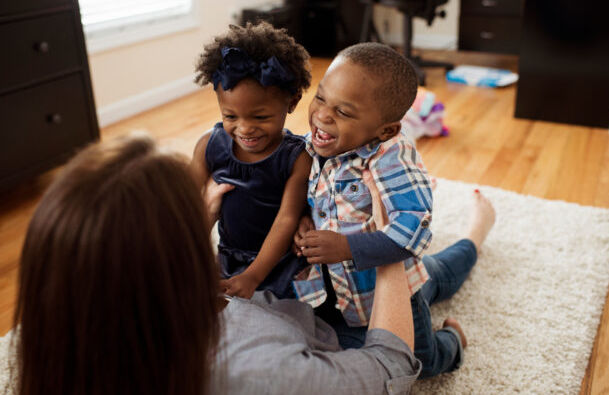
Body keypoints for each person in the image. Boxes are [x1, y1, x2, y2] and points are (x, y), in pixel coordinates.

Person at [13, 134, 424, 395]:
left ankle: (472, 237)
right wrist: (385, 245)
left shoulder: (62, 348)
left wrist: (206, 214)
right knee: (421, 290)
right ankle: (468, 265)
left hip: (287, 301)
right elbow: (392, 367)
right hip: (317, 323)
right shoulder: (262, 372)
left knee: (431, 273)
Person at [293, 42, 492, 378]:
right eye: (322, 97)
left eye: (343, 111)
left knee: (421, 364)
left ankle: (455, 335)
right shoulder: (317, 142)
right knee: (435, 274)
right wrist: (302, 215)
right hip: (339, 297)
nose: (323, 114)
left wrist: (346, 247)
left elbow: (413, 230)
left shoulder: (390, 156)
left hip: (390, 294)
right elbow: (305, 190)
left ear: (384, 130)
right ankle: (472, 238)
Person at [190, 22, 313, 299]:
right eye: (230, 116)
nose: (244, 129)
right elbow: (182, 203)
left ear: (292, 103)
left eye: (260, 117)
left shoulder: (297, 158)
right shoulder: (209, 145)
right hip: (227, 256)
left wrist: (253, 276)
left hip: (279, 260)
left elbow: (286, 219)